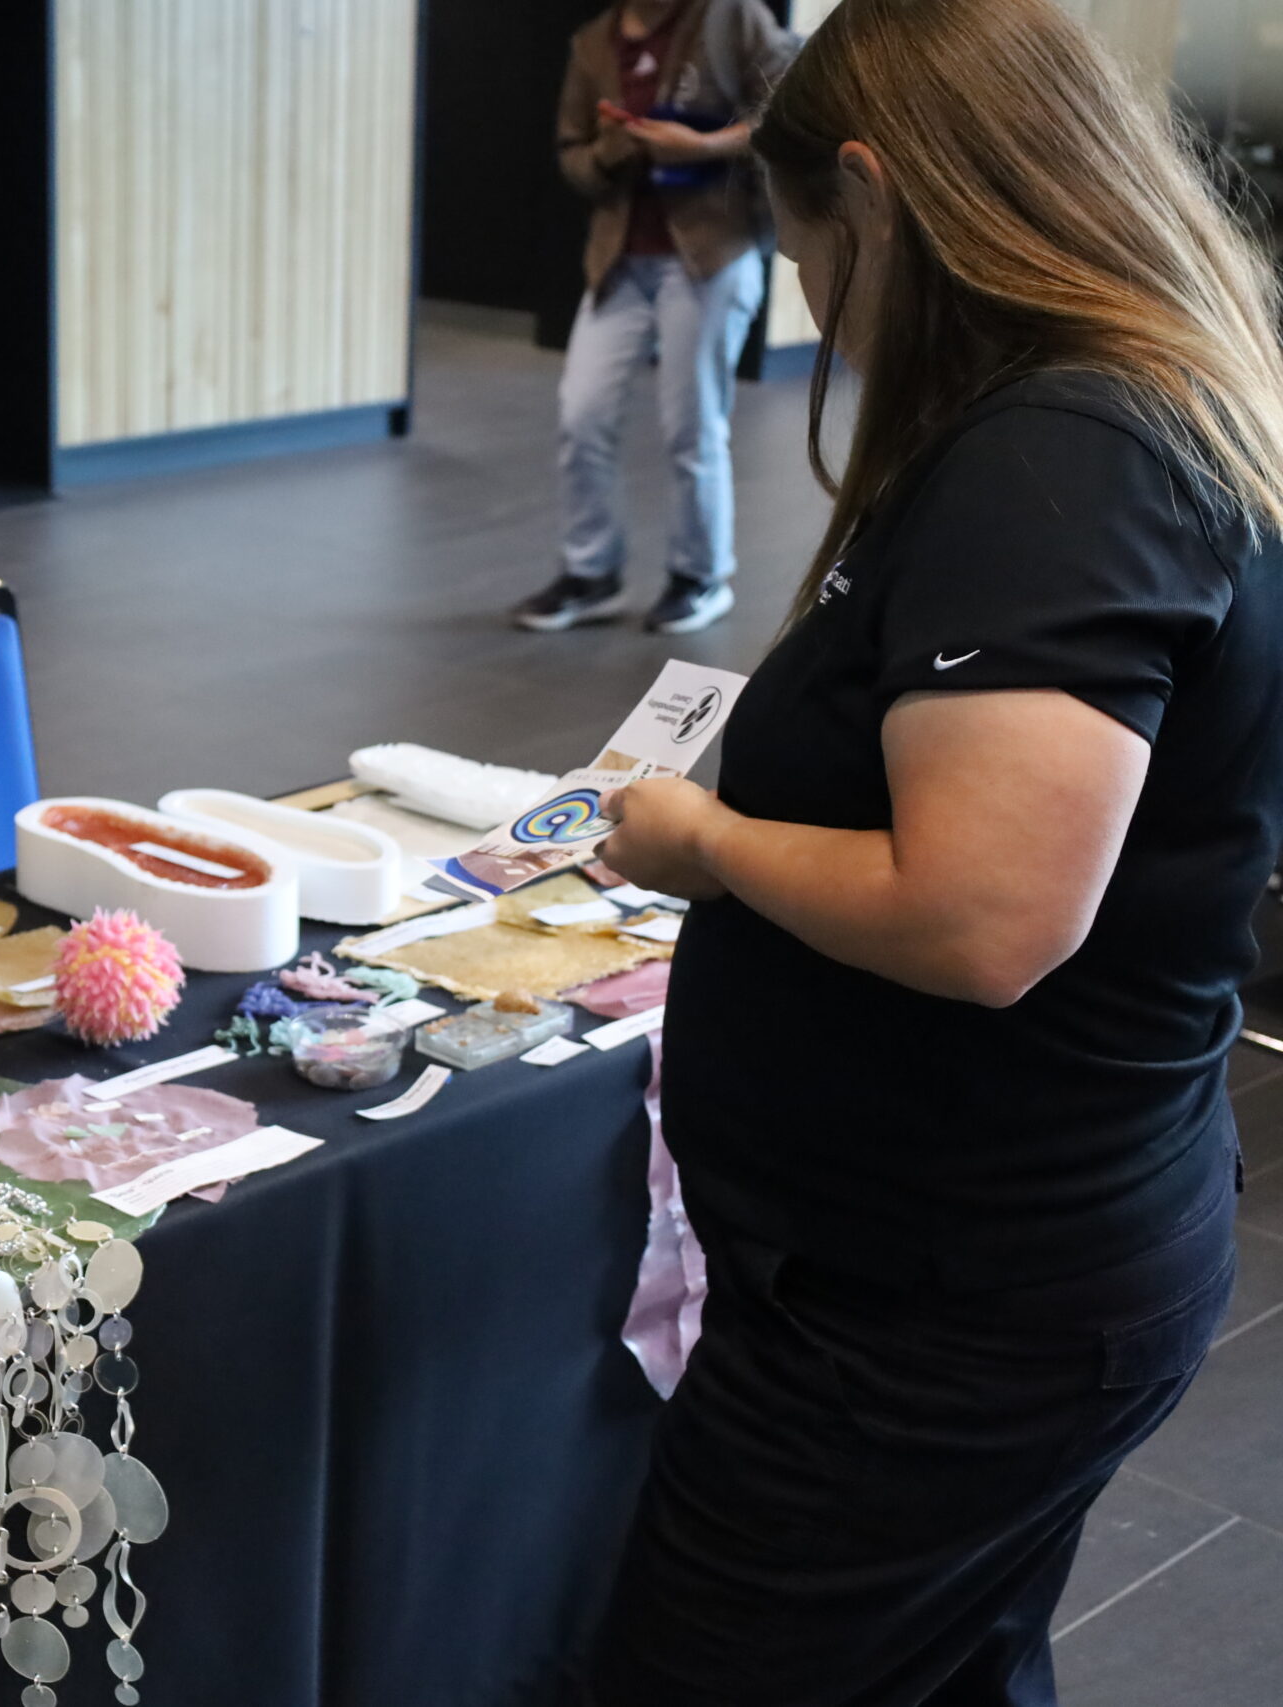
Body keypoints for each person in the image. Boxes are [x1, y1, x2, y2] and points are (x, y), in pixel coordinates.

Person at [585, 0, 1283, 1698]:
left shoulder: (1064, 460)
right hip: (1000, 1252)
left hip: (944, 1304)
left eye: (807, 245)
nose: (814, 297)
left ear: (878, 200)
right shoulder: (1123, 411)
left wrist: (714, 843)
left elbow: (982, 917)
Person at [513, 0, 797, 636]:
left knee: (691, 424)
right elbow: (573, 156)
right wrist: (614, 148)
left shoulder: (732, 17)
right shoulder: (592, 42)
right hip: (619, 262)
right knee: (580, 414)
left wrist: (702, 145)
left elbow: (787, 112)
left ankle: (700, 576)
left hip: (708, 256)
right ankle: (592, 574)